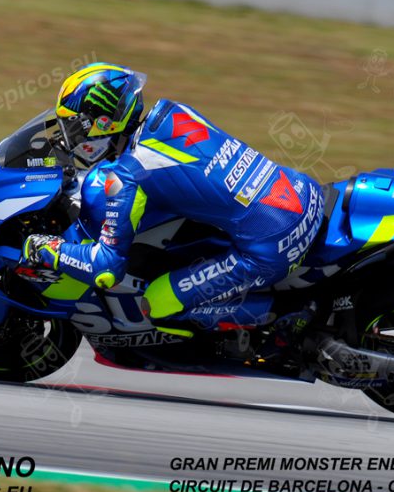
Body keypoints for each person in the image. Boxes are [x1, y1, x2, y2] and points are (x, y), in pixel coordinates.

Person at [22, 63, 324, 350]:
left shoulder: (128, 176)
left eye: (74, 127)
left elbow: (106, 268)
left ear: (102, 123)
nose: (70, 138)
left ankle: (292, 316)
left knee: (156, 303)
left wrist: (47, 248)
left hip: (275, 242)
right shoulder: (173, 112)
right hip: (302, 191)